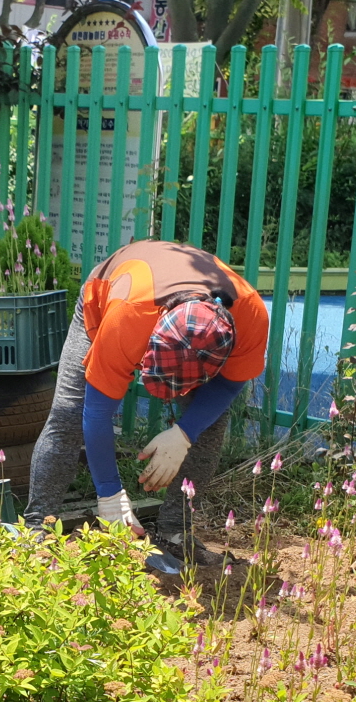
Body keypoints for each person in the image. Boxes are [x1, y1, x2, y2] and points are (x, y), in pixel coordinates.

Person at [24, 239, 269, 567]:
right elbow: (95, 413)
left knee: (209, 426)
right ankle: (38, 528)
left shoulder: (251, 317)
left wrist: (185, 433)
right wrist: (109, 493)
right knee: (68, 413)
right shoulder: (128, 318)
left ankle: (175, 532)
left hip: (190, 321)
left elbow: (230, 384)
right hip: (109, 294)